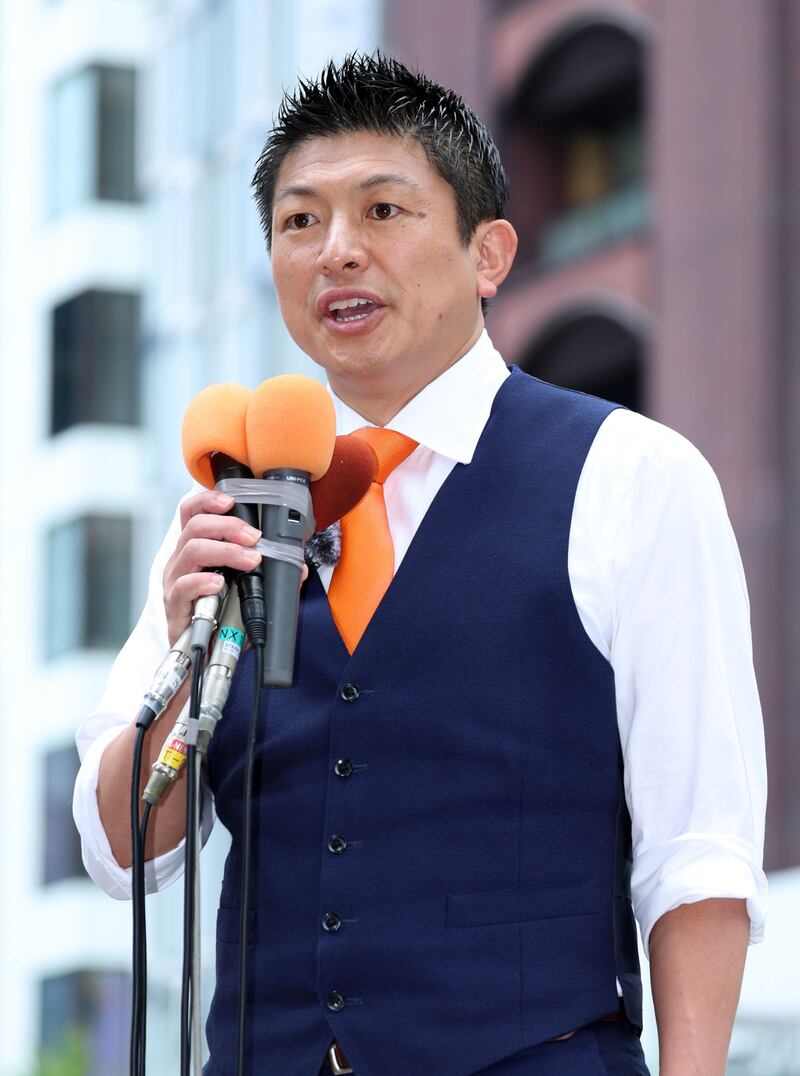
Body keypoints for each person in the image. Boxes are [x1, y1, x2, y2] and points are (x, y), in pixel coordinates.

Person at [73, 53, 767, 1075]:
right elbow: (126, 850)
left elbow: (695, 847)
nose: (335, 252)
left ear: (486, 253)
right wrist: (187, 643)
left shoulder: (631, 475)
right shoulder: (231, 517)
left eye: (382, 211)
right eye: (299, 222)